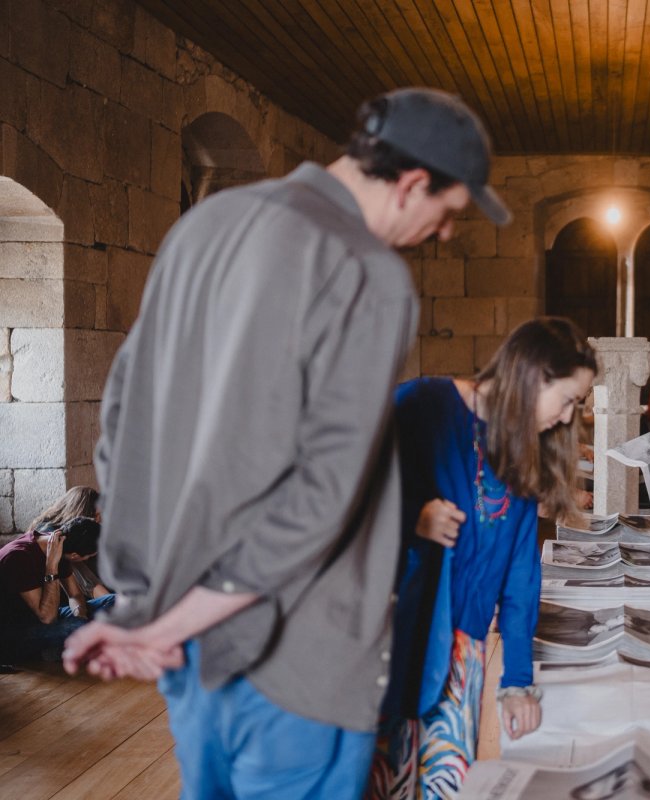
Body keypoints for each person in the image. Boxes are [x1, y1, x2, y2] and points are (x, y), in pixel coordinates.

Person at [62, 87, 511, 798]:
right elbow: (323, 496)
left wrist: (150, 604)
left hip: (191, 647)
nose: (447, 233)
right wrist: (171, 619)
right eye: (449, 211)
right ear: (411, 183)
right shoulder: (370, 273)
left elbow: (122, 421)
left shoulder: (207, 224)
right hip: (300, 657)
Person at [371, 317, 596, 799]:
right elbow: (346, 493)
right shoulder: (422, 404)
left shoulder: (525, 452)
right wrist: (411, 515)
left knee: (446, 788)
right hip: (390, 642)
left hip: (463, 653)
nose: (566, 418)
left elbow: (520, 575)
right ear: (534, 376)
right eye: (568, 400)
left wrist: (516, 682)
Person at [0, 517, 116, 663]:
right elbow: (47, 618)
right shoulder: (19, 557)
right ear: (75, 556)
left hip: (46, 614)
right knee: (76, 627)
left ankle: (68, 647)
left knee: (115, 601)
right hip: (15, 631)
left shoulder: (58, 545)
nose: (87, 560)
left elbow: (75, 595)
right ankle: (49, 652)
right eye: (88, 557)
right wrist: (51, 567)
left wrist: (80, 615)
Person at [25, 486, 110, 599]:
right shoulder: (50, 534)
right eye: (96, 515)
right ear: (82, 512)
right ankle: (108, 599)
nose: (100, 519)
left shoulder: (68, 530)